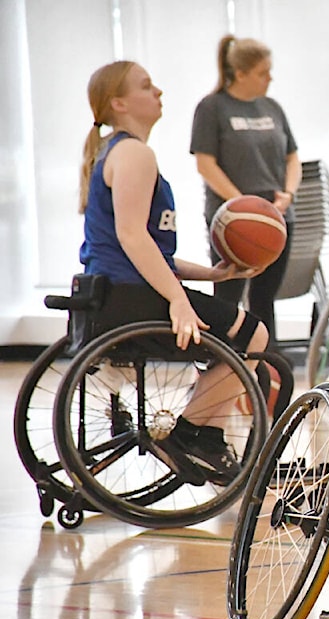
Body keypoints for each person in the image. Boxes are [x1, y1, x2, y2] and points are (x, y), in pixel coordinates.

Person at [80, 60, 270, 486]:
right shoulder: (133, 153)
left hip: (117, 291)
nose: (159, 92)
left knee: (240, 335)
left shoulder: (120, 151)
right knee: (253, 336)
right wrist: (178, 299)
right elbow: (132, 237)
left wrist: (213, 276)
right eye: (147, 86)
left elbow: (147, 250)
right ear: (119, 102)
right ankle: (193, 433)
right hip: (129, 298)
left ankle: (199, 430)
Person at [190, 35, 301, 349]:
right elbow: (205, 164)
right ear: (241, 74)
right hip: (234, 219)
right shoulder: (212, 107)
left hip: (277, 215)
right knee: (228, 297)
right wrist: (243, 204)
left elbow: (292, 158)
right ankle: (220, 365)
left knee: (265, 298)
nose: (270, 78)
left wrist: (288, 194)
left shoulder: (272, 107)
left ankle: (268, 377)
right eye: (263, 72)